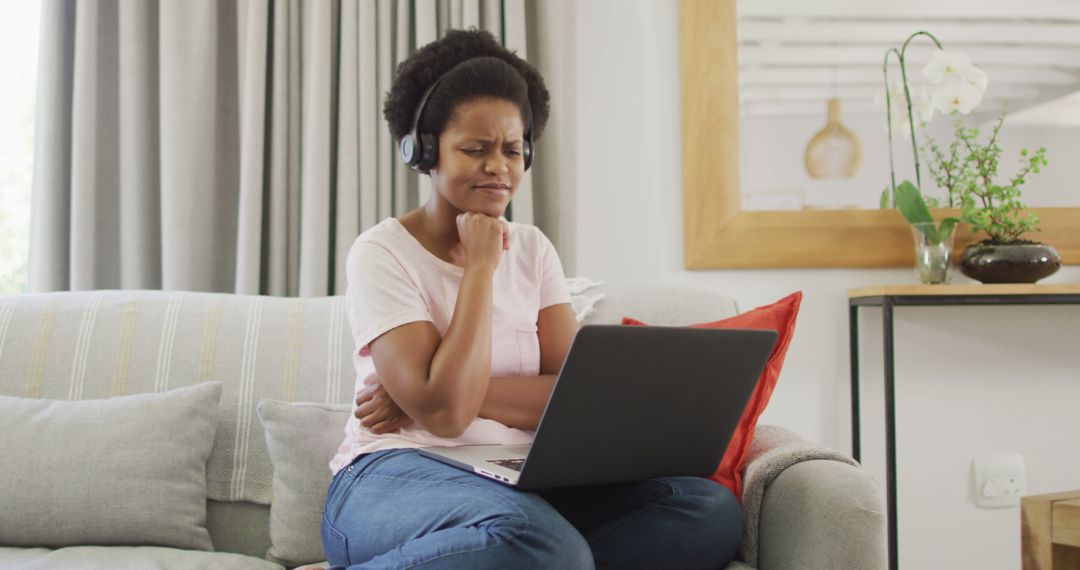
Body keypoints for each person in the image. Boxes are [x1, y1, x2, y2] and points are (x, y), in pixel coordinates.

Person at [322, 29, 742, 569]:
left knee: (704, 508)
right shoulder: (382, 252)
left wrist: (430, 394)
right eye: (475, 149)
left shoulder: (534, 249)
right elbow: (447, 418)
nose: (499, 166)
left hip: (515, 474)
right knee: (541, 543)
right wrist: (480, 266)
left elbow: (572, 398)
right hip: (396, 471)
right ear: (423, 151)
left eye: (513, 150)